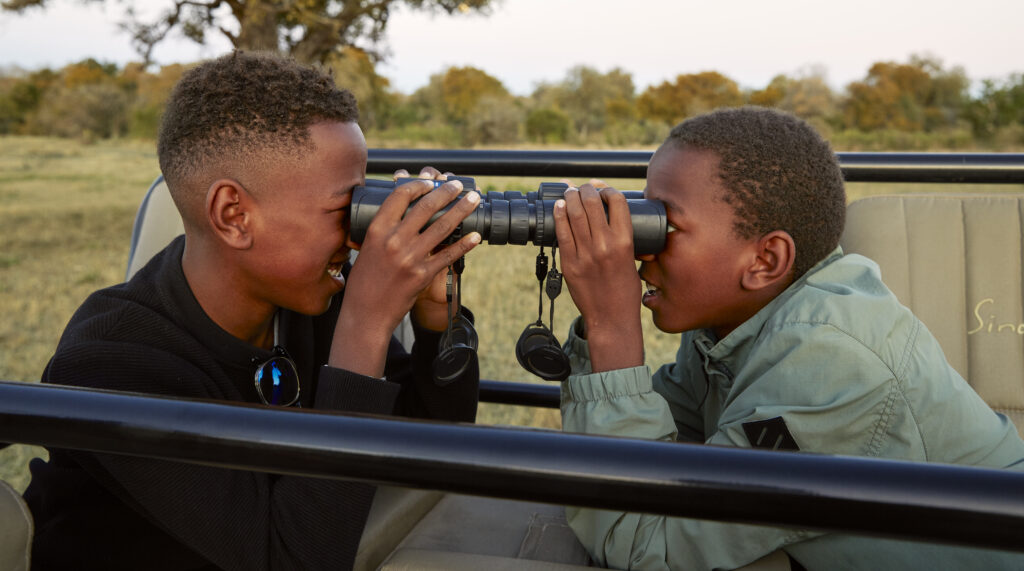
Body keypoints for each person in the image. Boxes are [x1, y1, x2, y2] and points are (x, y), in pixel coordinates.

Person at [22, 51, 483, 570]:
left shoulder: (307, 301)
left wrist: (435, 314)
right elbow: (290, 560)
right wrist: (366, 322)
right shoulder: (111, 362)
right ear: (233, 215)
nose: (359, 235)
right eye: (343, 209)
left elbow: (432, 439)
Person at [551, 106, 1024, 570]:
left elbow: (646, 545)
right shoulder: (734, 319)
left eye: (665, 224)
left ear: (765, 261)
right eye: (643, 213)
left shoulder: (830, 361)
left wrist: (611, 326)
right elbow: (669, 450)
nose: (638, 246)